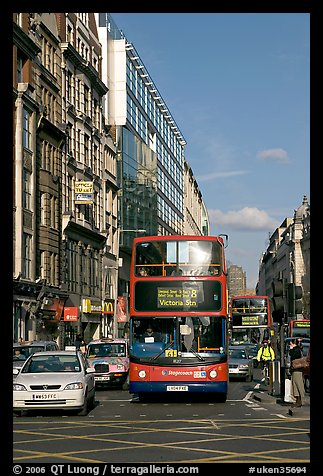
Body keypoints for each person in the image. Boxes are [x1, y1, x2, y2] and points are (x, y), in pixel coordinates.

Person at [289, 338, 306, 407]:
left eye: (290, 343)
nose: (290, 344)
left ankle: (299, 401)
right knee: (295, 386)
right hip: (296, 370)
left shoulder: (296, 350)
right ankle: (297, 401)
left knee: (298, 385)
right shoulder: (298, 349)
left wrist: (291, 349)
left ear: (293, 343)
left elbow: (293, 356)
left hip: (297, 370)